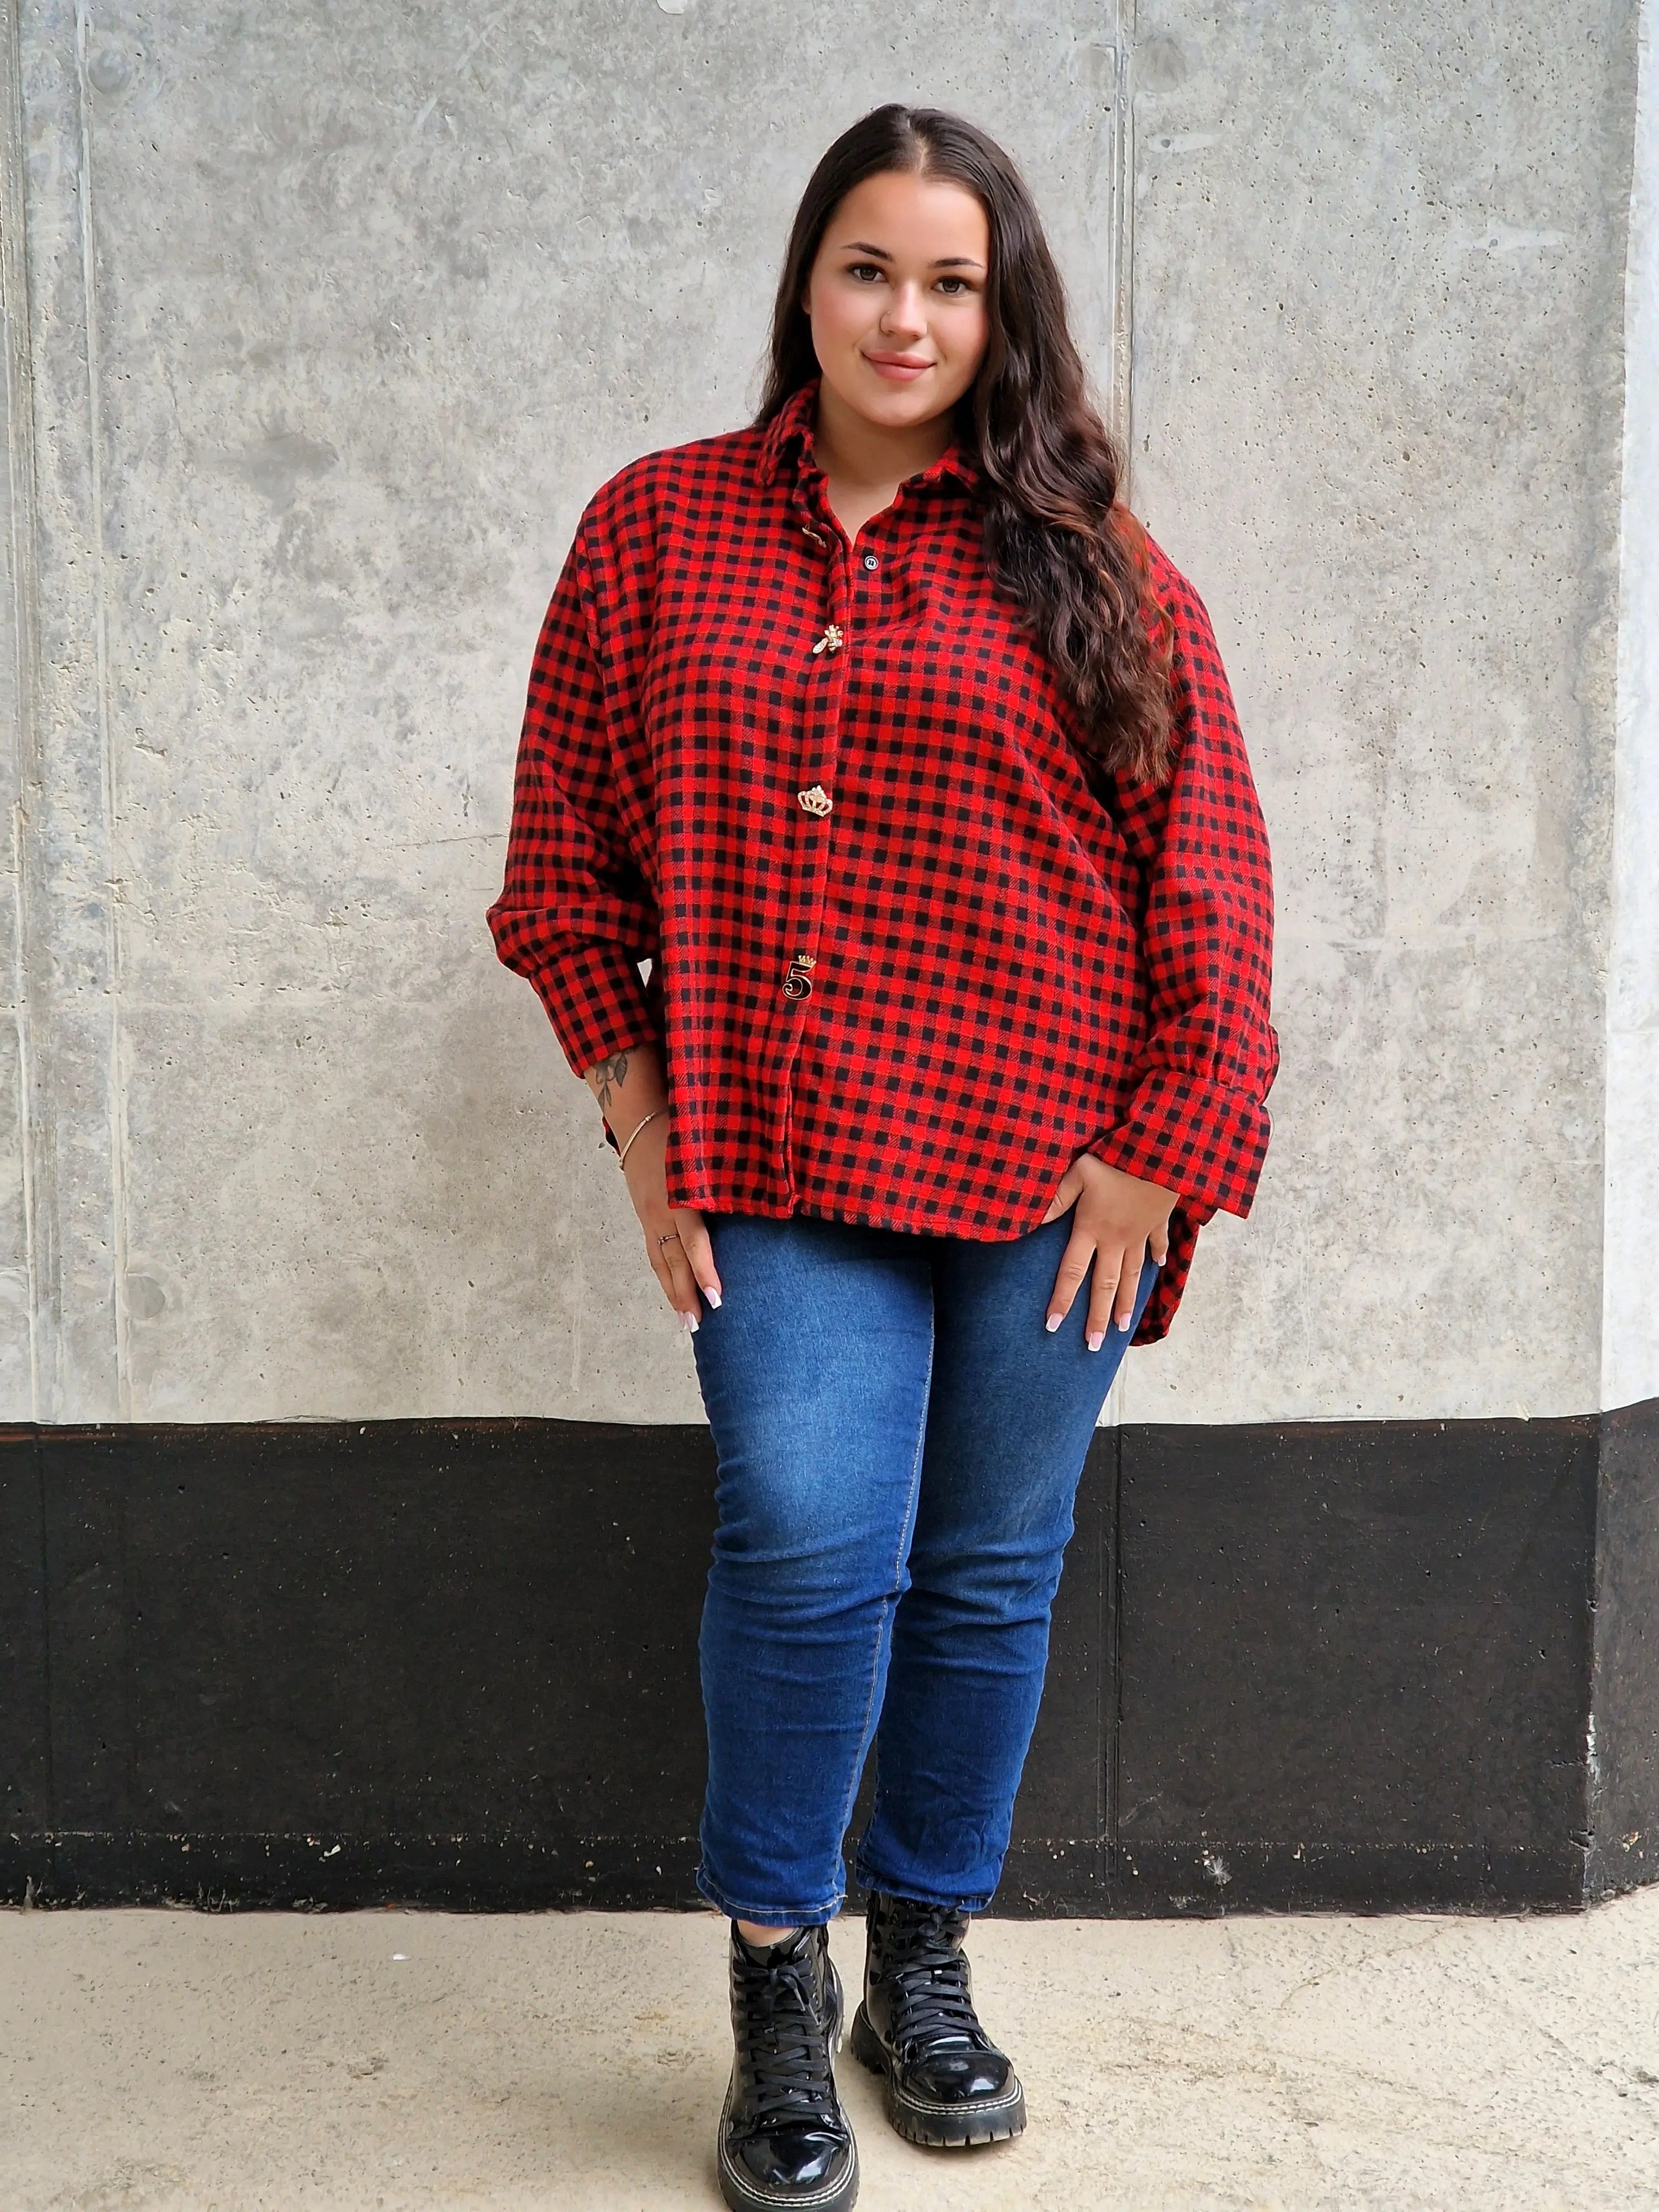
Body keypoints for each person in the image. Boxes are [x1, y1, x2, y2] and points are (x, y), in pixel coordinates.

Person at [488, 102, 1276, 2212]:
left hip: (1054, 1170)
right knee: (808, 1539)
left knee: (994, 1566)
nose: (905, 317)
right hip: (773, 1151)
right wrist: (641, 1115)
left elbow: (1208, 873)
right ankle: (778, 1978)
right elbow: (562, 865)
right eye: (869, 268)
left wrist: (1166, 1146)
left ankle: (920, 1955)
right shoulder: (655, 532)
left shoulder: (1098, 564)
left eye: (952, 280)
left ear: (1002, 311)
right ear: (809, 285)